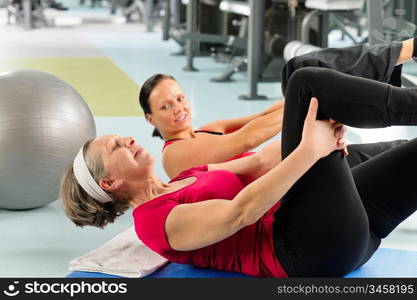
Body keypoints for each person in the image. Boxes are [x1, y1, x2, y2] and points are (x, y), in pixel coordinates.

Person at [61, 56, 417, 277]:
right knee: (304, 81)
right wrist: (309, 151)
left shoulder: (187, 177)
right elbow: (239, 212)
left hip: (346, 234)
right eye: (115, 147)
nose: (128, 140)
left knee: (405, 154)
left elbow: (260, 160)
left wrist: (313, 131)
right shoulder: (152, 222)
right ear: (109, 182)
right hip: (305, 249)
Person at [139, 38, 414, 179]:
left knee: (398, 152)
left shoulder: (205, 130)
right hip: (285, 182)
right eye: (165, 106)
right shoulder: (173, 156)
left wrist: (314, 97)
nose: (178, 108)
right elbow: (248, 138)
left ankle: (401, 56)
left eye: (179, 98)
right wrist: (306, 101)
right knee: (299, 72)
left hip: (292, 165)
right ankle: (406, 49)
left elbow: (263, 116)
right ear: (150, 119)